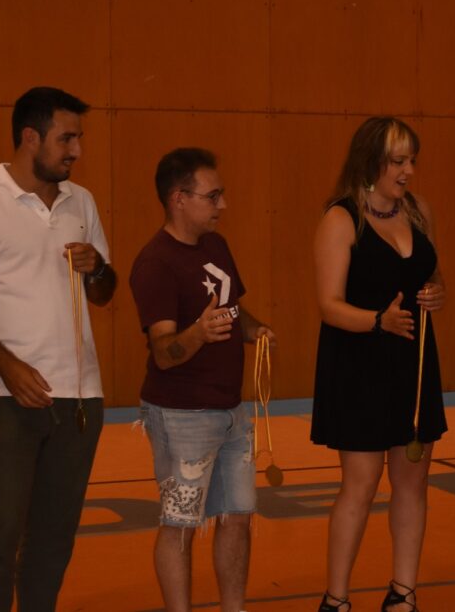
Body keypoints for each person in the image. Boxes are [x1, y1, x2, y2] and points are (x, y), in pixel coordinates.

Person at [0, 87, 116, 610]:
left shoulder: (81, 201)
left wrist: (98, 268)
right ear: (30, 137)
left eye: (78, 139)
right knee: (0, 537)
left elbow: (104, 293)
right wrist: (9, 369)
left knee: (53, 539)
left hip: (81, 398)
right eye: (66, 139)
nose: (77, 151)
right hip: (9, 399)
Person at [130, 148, 275, 612]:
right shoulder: (155, 264)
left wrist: (255, 329)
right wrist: (198, 334)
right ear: (179, 199)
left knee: (237, 517)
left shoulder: (216, 245)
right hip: (181, 415)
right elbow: (164, 352)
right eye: (212, 196)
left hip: (231, 410)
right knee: (180, 525)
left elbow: (232, 309)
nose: (222, 204)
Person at [312, 117, 447, 612]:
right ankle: (336, 598)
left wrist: (437, 294)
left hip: (413, 361)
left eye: (412, 160)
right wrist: (377, 321)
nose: (408, 170)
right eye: (397, 161)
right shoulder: (341, 219)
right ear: (370, 162)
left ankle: (403, 593)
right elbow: (329, 305)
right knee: (361, 486)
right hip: (359, 364)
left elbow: (434, 277)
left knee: (413, 483)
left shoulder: (418, 211)